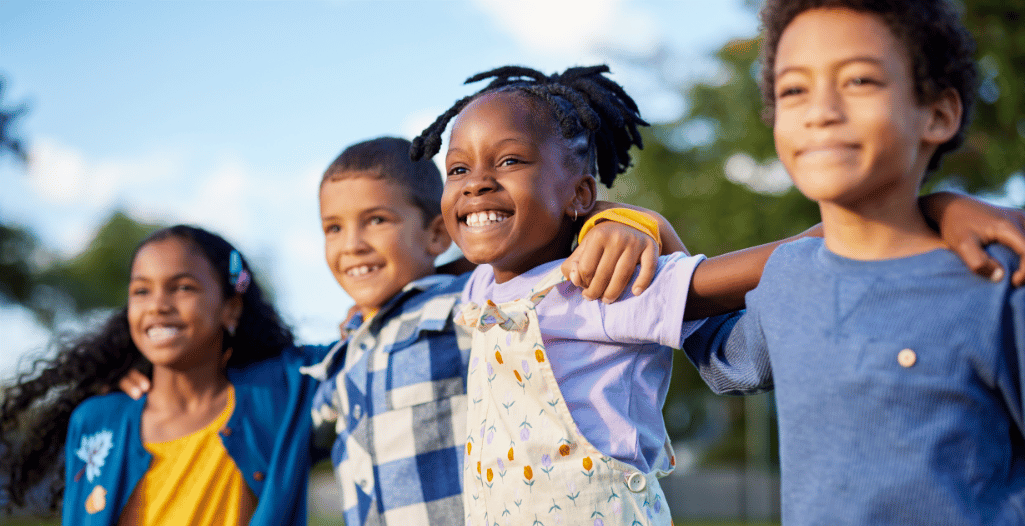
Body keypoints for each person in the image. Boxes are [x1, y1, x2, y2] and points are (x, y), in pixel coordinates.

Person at [410, 63, 1025, 525]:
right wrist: (622, 217)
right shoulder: (481, 285)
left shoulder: (606, 281)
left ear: (578, 194)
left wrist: (923, 210)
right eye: (458, 169)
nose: (476, 183)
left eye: (510, 160)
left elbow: (776, 259)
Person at [682, 1, 1025, 523]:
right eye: (794, 89)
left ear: (938, 114)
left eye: (860, 80)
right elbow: (712, 349)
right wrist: (644, 234)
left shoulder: (998, 280)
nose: (821, 111)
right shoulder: (787, 279)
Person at [301, 136, 674, 525]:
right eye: (333, 228)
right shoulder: (346, 348)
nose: (352, 245)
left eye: (376, 220)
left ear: (435, 235)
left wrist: (613, 221)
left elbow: (532, 253)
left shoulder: (468, 304)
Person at [0, 225, 328, 525]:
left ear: (231, 308)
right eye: (141, 291)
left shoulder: (281, 391)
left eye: (183, 287)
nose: (158, 304)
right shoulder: (97, 420)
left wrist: (368, 316)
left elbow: (363, 354)